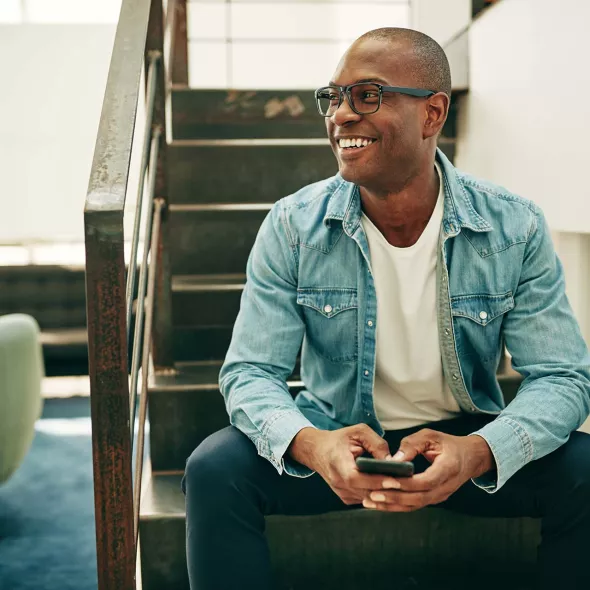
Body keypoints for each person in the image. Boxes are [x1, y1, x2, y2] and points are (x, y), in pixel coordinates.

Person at [182, 27, 590, 590]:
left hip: (461, 442)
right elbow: (250, 372)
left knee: (586, 471)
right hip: (336, 439)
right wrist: (313, 445)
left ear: (432, 114)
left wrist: (478, 451)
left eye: (368, 94)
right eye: (334, 97)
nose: (341, 115)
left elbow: (564, 377)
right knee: (214, 469)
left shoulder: (513, 227)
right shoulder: (292, 226)